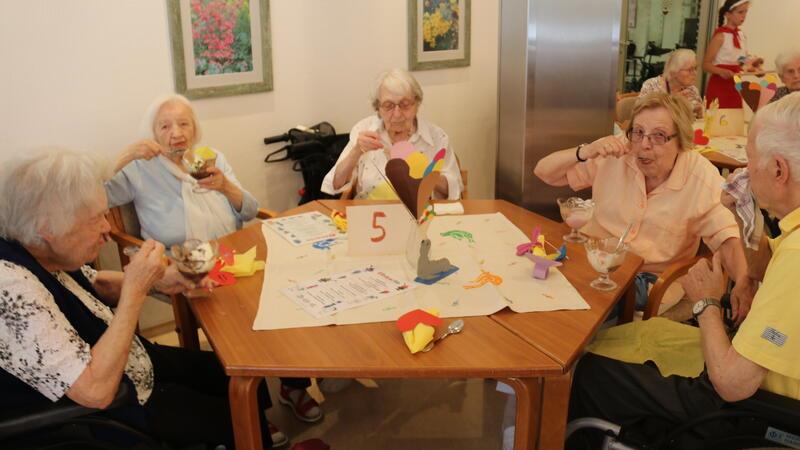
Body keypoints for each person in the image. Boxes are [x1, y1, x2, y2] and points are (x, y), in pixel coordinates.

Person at [0, 150, 284, 448]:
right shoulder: (12, 287)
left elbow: (94, 282)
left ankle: (260, 434)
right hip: (104, 409)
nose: (108, 229)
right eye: (96, 219)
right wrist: (135, 290)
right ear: (46, 228)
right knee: (231, 414)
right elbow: (95, 392)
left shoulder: (37, 246)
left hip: (132, 362)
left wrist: (160, 279)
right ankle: (251, 437)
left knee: (234, 374)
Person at [567, 92, 800, 449]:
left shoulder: (796, 259)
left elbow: (732, 384)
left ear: (779, 170)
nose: (745, 171)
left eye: (751, 162)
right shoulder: (791, 232)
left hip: (752, 409)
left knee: (590, 373)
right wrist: (740, 220)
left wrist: (706, 303)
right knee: (613, 345)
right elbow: (765, 264)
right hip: (750, 368)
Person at [106, 94, 323, 424]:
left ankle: (292, 386)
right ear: (152, 133)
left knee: (282, 292)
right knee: (239, 311)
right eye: (165, 126)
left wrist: (225, 187)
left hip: (231, 253)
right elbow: (94, 198)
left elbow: (249, 209)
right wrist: (125, 156)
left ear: (194, 128)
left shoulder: (211, 158)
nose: (176, 133)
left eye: (184, 123)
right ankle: (252, 412)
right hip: (182, 266)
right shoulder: (139, 169)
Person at [534, 92, 751, 321]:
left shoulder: (700, 177)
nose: (644, 145)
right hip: (589, 263)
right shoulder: (618, 153)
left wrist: (743, 284)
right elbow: (544, 172)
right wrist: (585, 151)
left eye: (659, 136)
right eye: (638, 132)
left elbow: (728, 239)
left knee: (570, 317)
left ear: (681, 141)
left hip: (645, 284)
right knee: (539, 295)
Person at [320, 68, 463, 200]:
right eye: (388, 106)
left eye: (405, 104)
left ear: (417, 104)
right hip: (370, 214)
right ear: (378, 108)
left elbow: (454, 189)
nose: (397, 114)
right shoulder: (364, 129)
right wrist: (356, 151)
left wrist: (424, 172)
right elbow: (336, 184)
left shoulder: (436, 137)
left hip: (420, 215)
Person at [703, 0, 763, 108]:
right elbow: (705, 64)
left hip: (736, 85)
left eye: (745, 12)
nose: (744, 16)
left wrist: (754, 68)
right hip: (719, 86)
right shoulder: (720, 36)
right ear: (728, 15)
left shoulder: (741, 35)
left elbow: (740, 60)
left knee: (736, 114)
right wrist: (721, 71)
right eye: (740, 12)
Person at [639, 49, 704, 119]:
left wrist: (699, 113)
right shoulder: (651, 86)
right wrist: (673, 101)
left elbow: (697, 118)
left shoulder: (692, 89)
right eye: (689, 70)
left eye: (695, 68)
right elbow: (641, 115)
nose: (695, 73)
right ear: (673, 71)